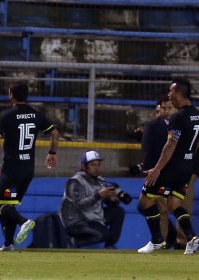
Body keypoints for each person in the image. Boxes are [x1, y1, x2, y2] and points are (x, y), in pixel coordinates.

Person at [0, 81, 59, 251]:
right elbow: (54, 133)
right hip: (28, 169)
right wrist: (52, 153)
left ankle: (23, 222)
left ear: (11, 94)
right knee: (8, 205)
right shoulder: (36, 115)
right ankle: (8, 243)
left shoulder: (7, 115)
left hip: (11, 169)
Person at [138, 77, 199, 254]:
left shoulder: (177, 117)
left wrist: (157, 169)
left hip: (171, 168)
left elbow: (170, 145)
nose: (169, 95)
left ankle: (157, 240)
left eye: (171, 91)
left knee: (144, 203)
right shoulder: (197, 115)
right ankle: (191, 237)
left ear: (179, 93)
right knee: (175, 204)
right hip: (187, 168)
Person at [59, 151, 125, 248]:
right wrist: (98, 195)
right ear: (84, 166)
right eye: (93, 165)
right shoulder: (75, 181)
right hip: (76, 221)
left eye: (98, 165)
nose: (96, 168)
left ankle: (109, 246)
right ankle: (72, 242)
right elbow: (77, 205)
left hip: (92, 218)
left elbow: (105, 202)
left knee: (118, 212)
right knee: (103, 234)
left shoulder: (100, 181)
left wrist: (112, 200)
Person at [141, 95, 178, 248]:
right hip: (164, 172)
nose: (164, 111)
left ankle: (161, 241)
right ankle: (169, 240)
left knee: (161, 208)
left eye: (168, 108)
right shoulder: (158, 126)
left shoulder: (160, 126)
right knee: (163, 208)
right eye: (163, 108)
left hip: (163, 173)